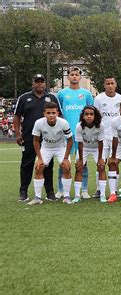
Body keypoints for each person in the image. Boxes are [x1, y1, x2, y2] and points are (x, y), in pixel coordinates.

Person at [14, 74, 59, 202]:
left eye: (42, 82)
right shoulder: (24, 98)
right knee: (26, 164)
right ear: (33, 83)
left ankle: (50, 192)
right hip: (29, 137)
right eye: (37, 82)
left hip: (47, 138)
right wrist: (17, 133)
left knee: (48, 165)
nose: (39, 84)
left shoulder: (51, 97)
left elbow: (59, 115)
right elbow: (17, 116)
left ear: (45, 83)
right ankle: (23, 192)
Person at [56, 66, 94, 199]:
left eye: (76, 75)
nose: (74, 77)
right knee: (63, 161)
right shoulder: (61, 93)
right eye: (72, 74)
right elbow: (58, 112)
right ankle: (60, 189)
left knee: (82, 162)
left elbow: (91, 111)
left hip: (81, 133)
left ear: (80, 77)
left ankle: (84, 189)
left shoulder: (86, 93)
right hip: (65, 133)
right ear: (68, 77)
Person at [28, 102, 73, 205]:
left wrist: (66, 158)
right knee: (39, 167)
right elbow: (35, 140)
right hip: (46, 147)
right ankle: (37, 197)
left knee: (66, 167)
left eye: (53, 112)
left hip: (60, 147)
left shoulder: (63, 123)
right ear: (44, 114)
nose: (51, 115)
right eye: (48, 113)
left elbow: (70, 140)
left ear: (57, 113)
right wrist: (39, 158)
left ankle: (66, 196)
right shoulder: (39, 123)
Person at [93, 75, 121, 196]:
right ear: (104, 85)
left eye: (112, 83)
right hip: (102, 137)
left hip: (116, 137)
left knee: (114, 163)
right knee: (100, 163)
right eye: (108, 84)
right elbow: (96, 117)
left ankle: (114, 189)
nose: (110, 86)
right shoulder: (99, 99)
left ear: (116, 85)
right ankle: (99, 189)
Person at [73, 106, 107, 203]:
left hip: (97, 148)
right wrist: (80, 159)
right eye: (86, 114)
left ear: (95, 116)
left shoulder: (101, 125)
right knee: (79, 168)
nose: (89, 116)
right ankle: (76, 195)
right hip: (84, 148)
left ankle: (103, 195)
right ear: (83, 116)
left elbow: (101, 142)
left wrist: (100, 158)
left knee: (101, 167)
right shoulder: (79, 126)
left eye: (91, 114)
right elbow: (79, 143)